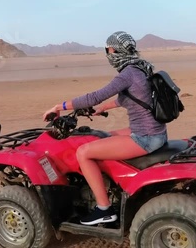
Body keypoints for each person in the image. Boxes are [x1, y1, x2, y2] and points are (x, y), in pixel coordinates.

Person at [42, 31, 168, 226]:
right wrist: (102, 108)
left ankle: (104, 209)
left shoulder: (127, 73)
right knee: (104, 136)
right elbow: (132, 97)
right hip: (156, 132)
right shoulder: (141, 68)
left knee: (83, 152)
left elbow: (94, 97)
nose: (108, 53)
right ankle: (111, 188)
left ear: (113, 50)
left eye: (108, 50)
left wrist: (60, 106)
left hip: (145, 137)